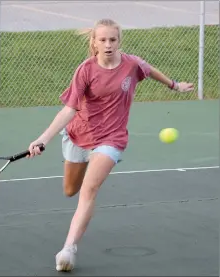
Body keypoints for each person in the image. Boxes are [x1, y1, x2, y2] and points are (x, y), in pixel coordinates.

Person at [27, 18, 194, 272]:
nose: (108, 44)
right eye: (102, 40)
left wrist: (174, 85)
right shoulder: (85, 70)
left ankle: (68, 249)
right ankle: (74, 226)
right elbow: (68, 110)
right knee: (70, 190)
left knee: (89, 189)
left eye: (112, 40)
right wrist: (43, 138)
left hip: (111, 138)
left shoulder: (131, 64)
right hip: (77, 134)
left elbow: (149, 70)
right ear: (94, 42)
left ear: (119, 41)